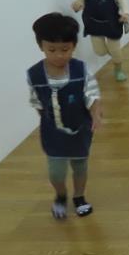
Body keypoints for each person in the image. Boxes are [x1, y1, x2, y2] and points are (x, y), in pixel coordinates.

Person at [27, 13, 103, 220]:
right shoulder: (34, 74)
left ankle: (79, 196)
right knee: (56, 173)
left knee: (80, 166)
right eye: (52, 50)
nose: (59, 55)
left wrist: (95, 114)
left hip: (80, 129)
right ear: (41, 46)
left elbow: (92, 94)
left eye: (65, 49)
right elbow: (36, 101)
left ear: (74, 46)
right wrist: (48, 118)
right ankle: (60, 195)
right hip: (53, 133)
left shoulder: (81, 70)